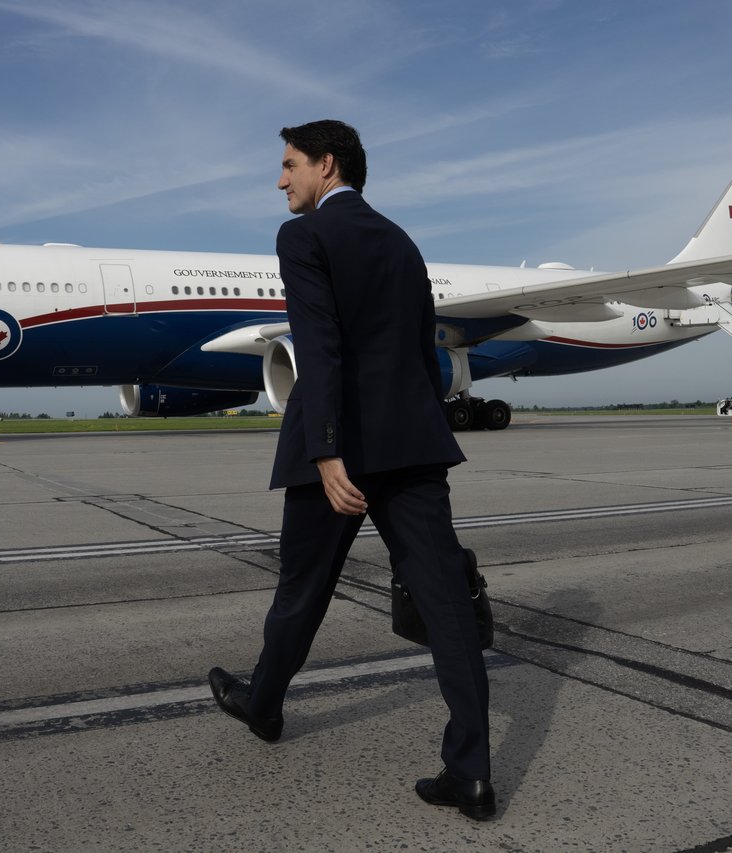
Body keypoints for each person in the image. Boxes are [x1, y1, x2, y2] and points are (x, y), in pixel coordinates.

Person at [208, 120, 495, 820]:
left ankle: (265, 706)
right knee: (446, 605)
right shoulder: (401, 240)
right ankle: (473, 773)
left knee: (302, 589)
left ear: (326, 165)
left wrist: (329, 451)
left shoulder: (303, 237)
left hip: (339, 450)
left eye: (289, 165)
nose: (281, 180)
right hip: (415, 445)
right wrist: (427, 434)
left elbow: (320, 345)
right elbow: (426, 349)